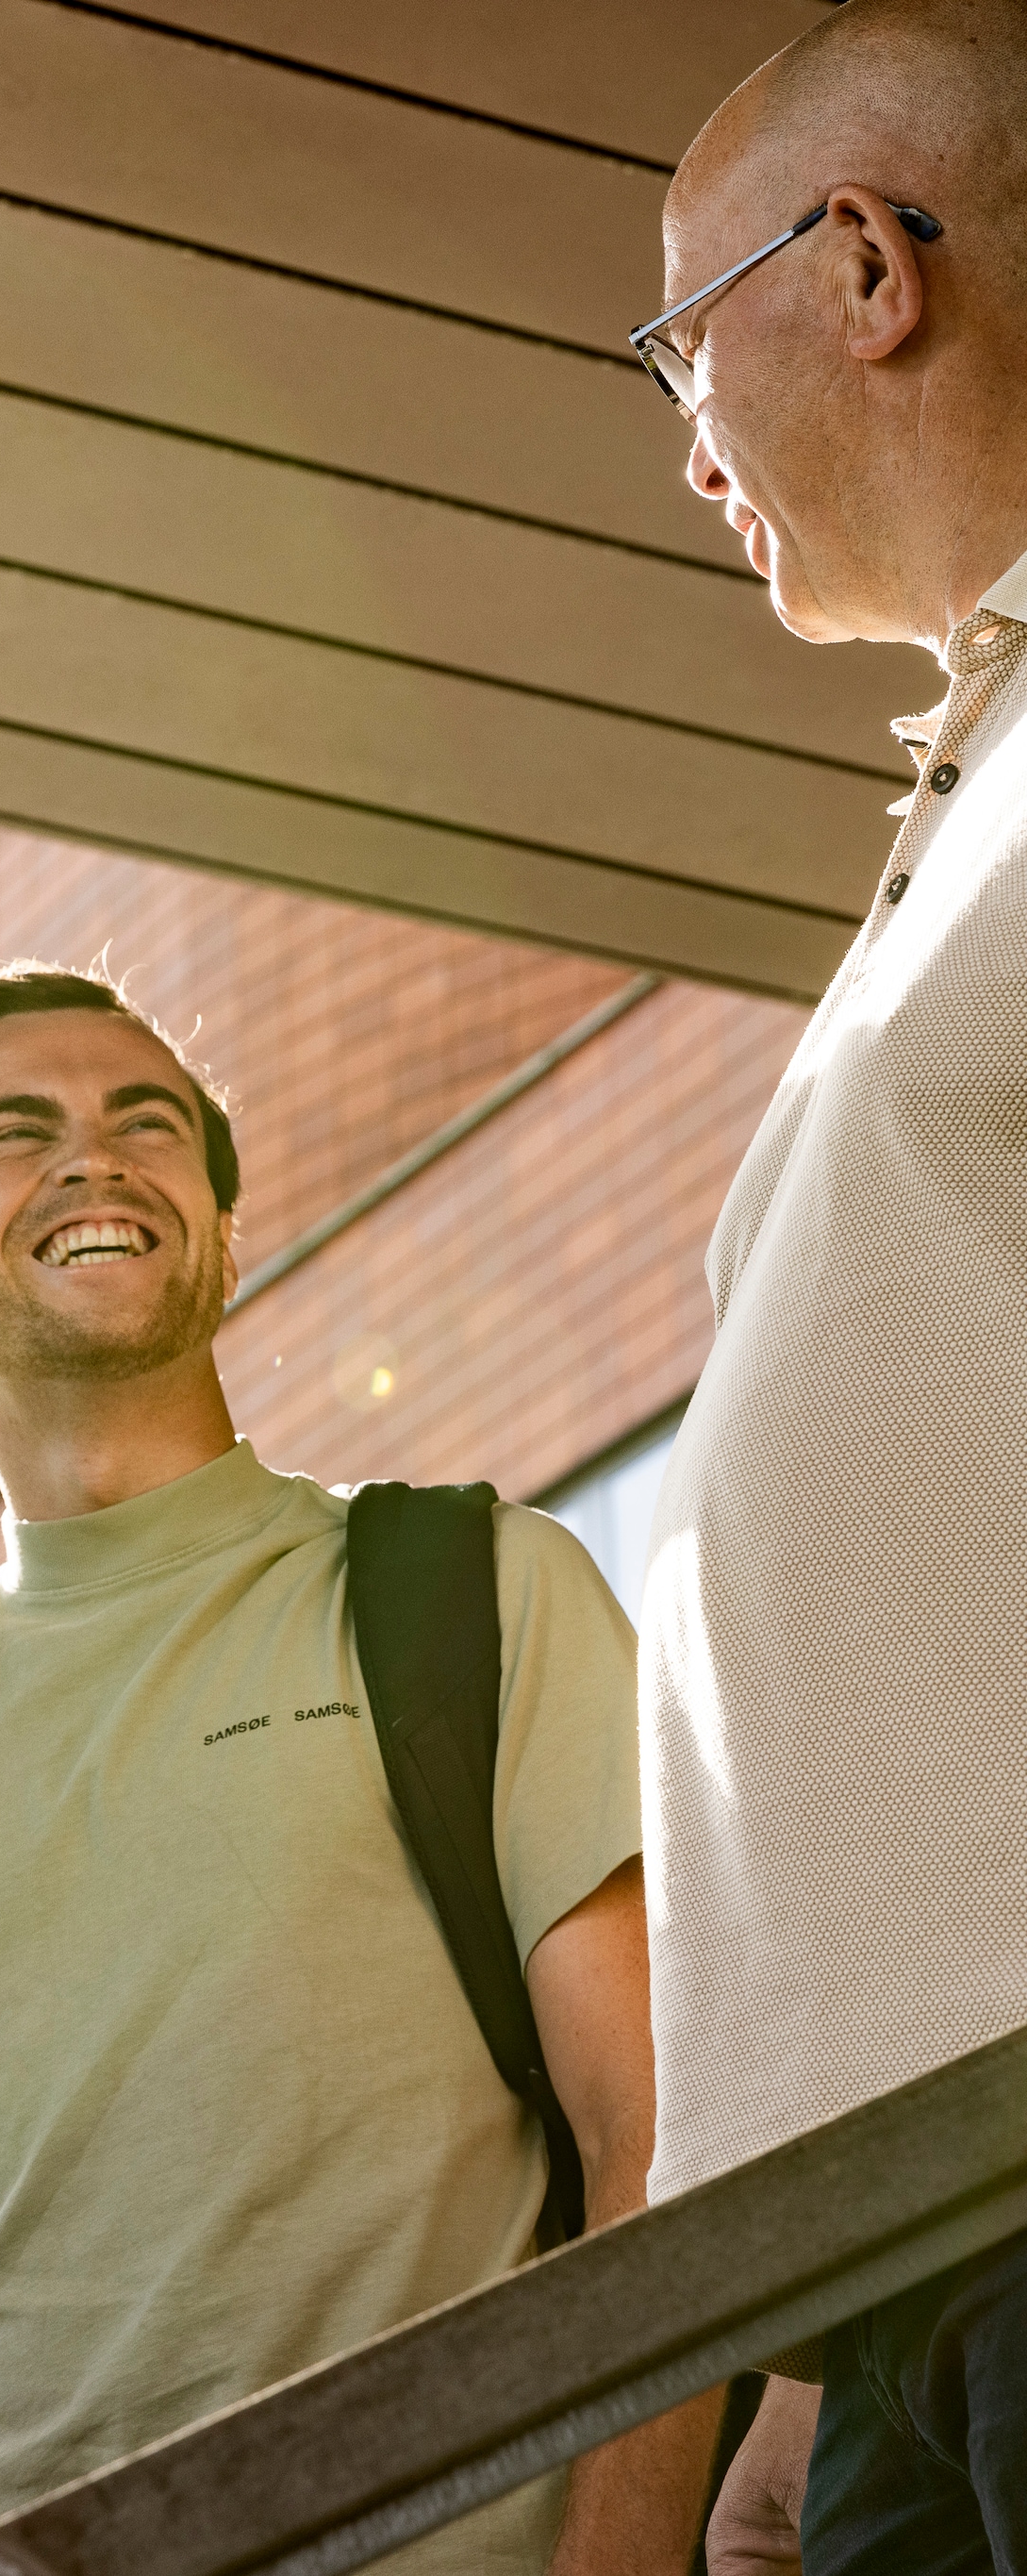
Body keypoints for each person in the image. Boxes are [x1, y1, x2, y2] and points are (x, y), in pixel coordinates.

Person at [0, 964, 721, 2572]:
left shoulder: (472, 1594)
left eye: (147, 1122)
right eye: (15, 1132)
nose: (93, 1159)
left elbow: (655, 2142)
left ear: (222, 1231)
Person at [627, 1, 1027, 2566]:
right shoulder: (975, 766)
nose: (684, 441)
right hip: (895, 2222)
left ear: (865, 266)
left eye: (687, 342)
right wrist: (789, 2310)